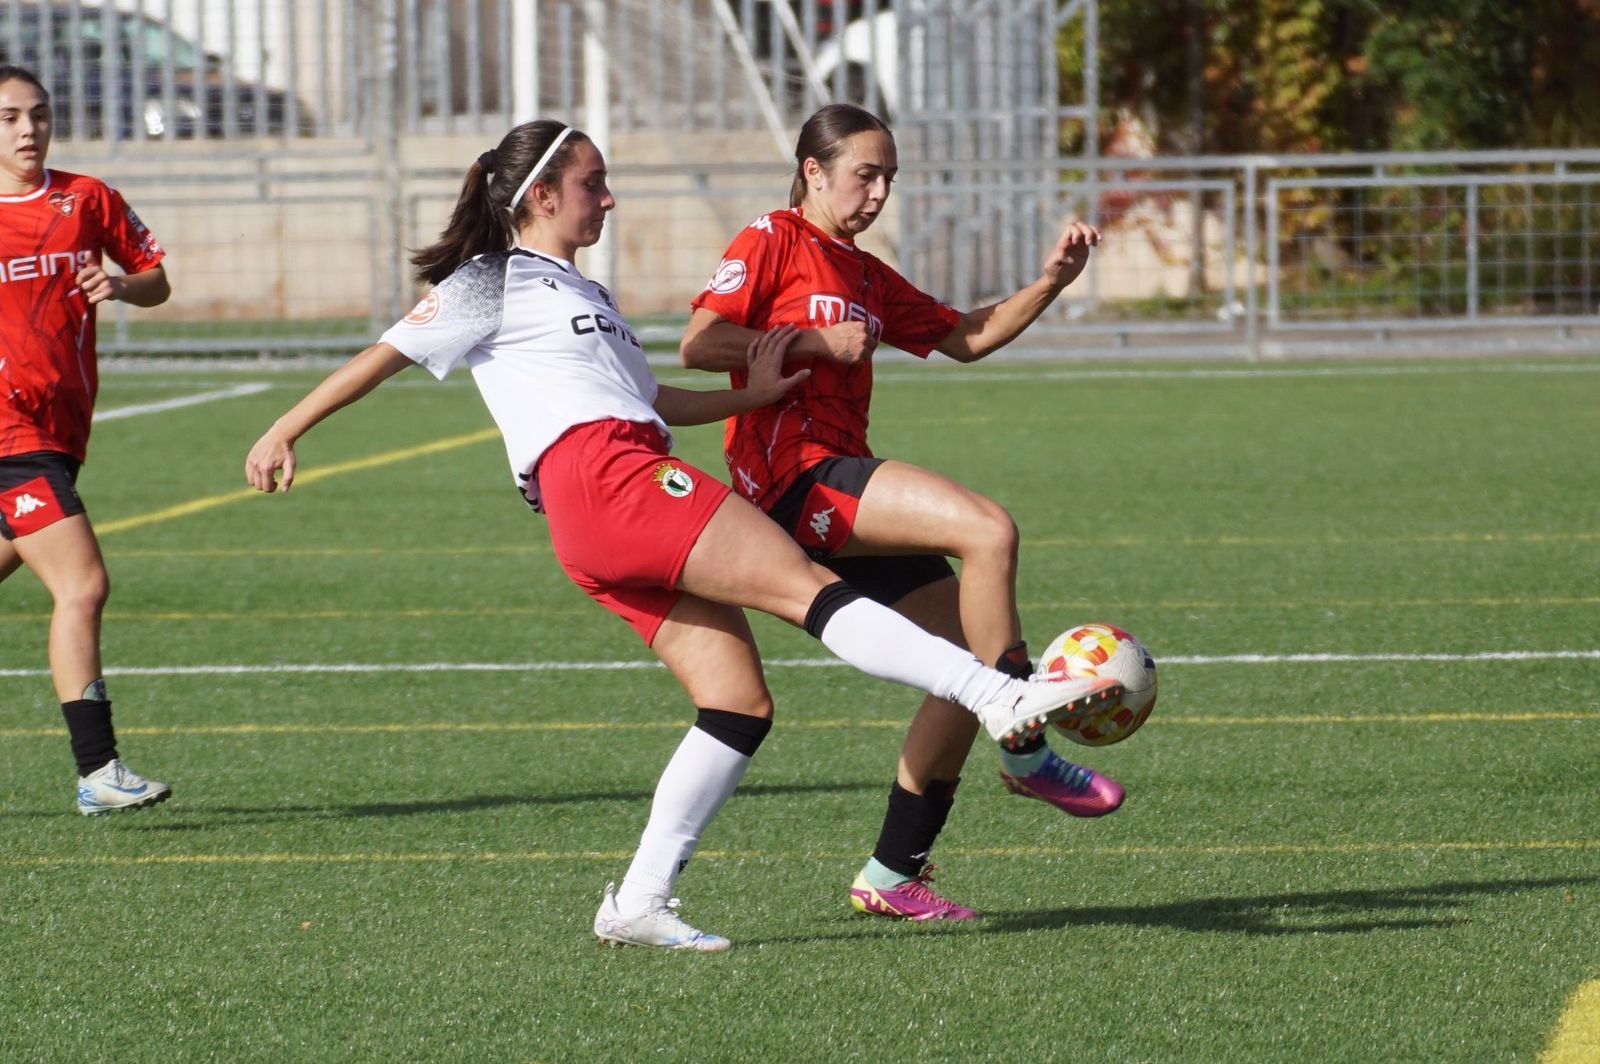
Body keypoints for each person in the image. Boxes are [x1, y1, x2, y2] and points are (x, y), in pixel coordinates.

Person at [244, 119, 1122, 952]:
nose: (610, 200)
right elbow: (386, 353)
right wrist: (288, 426)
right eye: (595, 184)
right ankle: (997, 697)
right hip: (609, 479)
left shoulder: (585, 292)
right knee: (809, 589)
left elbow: (656, 400)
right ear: (544, 194)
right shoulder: (492, 277)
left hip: (599, 505)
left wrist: (754, 398)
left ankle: (638, 900)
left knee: (738, 703)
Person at [680, 103, 1116, 921]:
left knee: (957, 661)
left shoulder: (867, 272)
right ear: (813, 171)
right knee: (987, 529)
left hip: (836, 477)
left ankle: (892, 874)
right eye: (864, 175)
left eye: (889, 179)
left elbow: (966, 337)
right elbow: (699, 342)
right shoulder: (771, 238)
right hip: (794, 478)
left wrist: (1052, 282)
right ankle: (1024, 738)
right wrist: (811, 345)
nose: (878, 193)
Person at [0, 65, 173, 815]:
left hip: (62, 431)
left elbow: (156, 276)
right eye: (8, 118)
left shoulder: (87, 198)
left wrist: (122, 287)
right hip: (11, 433)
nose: (27, 130)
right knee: (82, 585)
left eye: (38, 114)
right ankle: (98, 770)